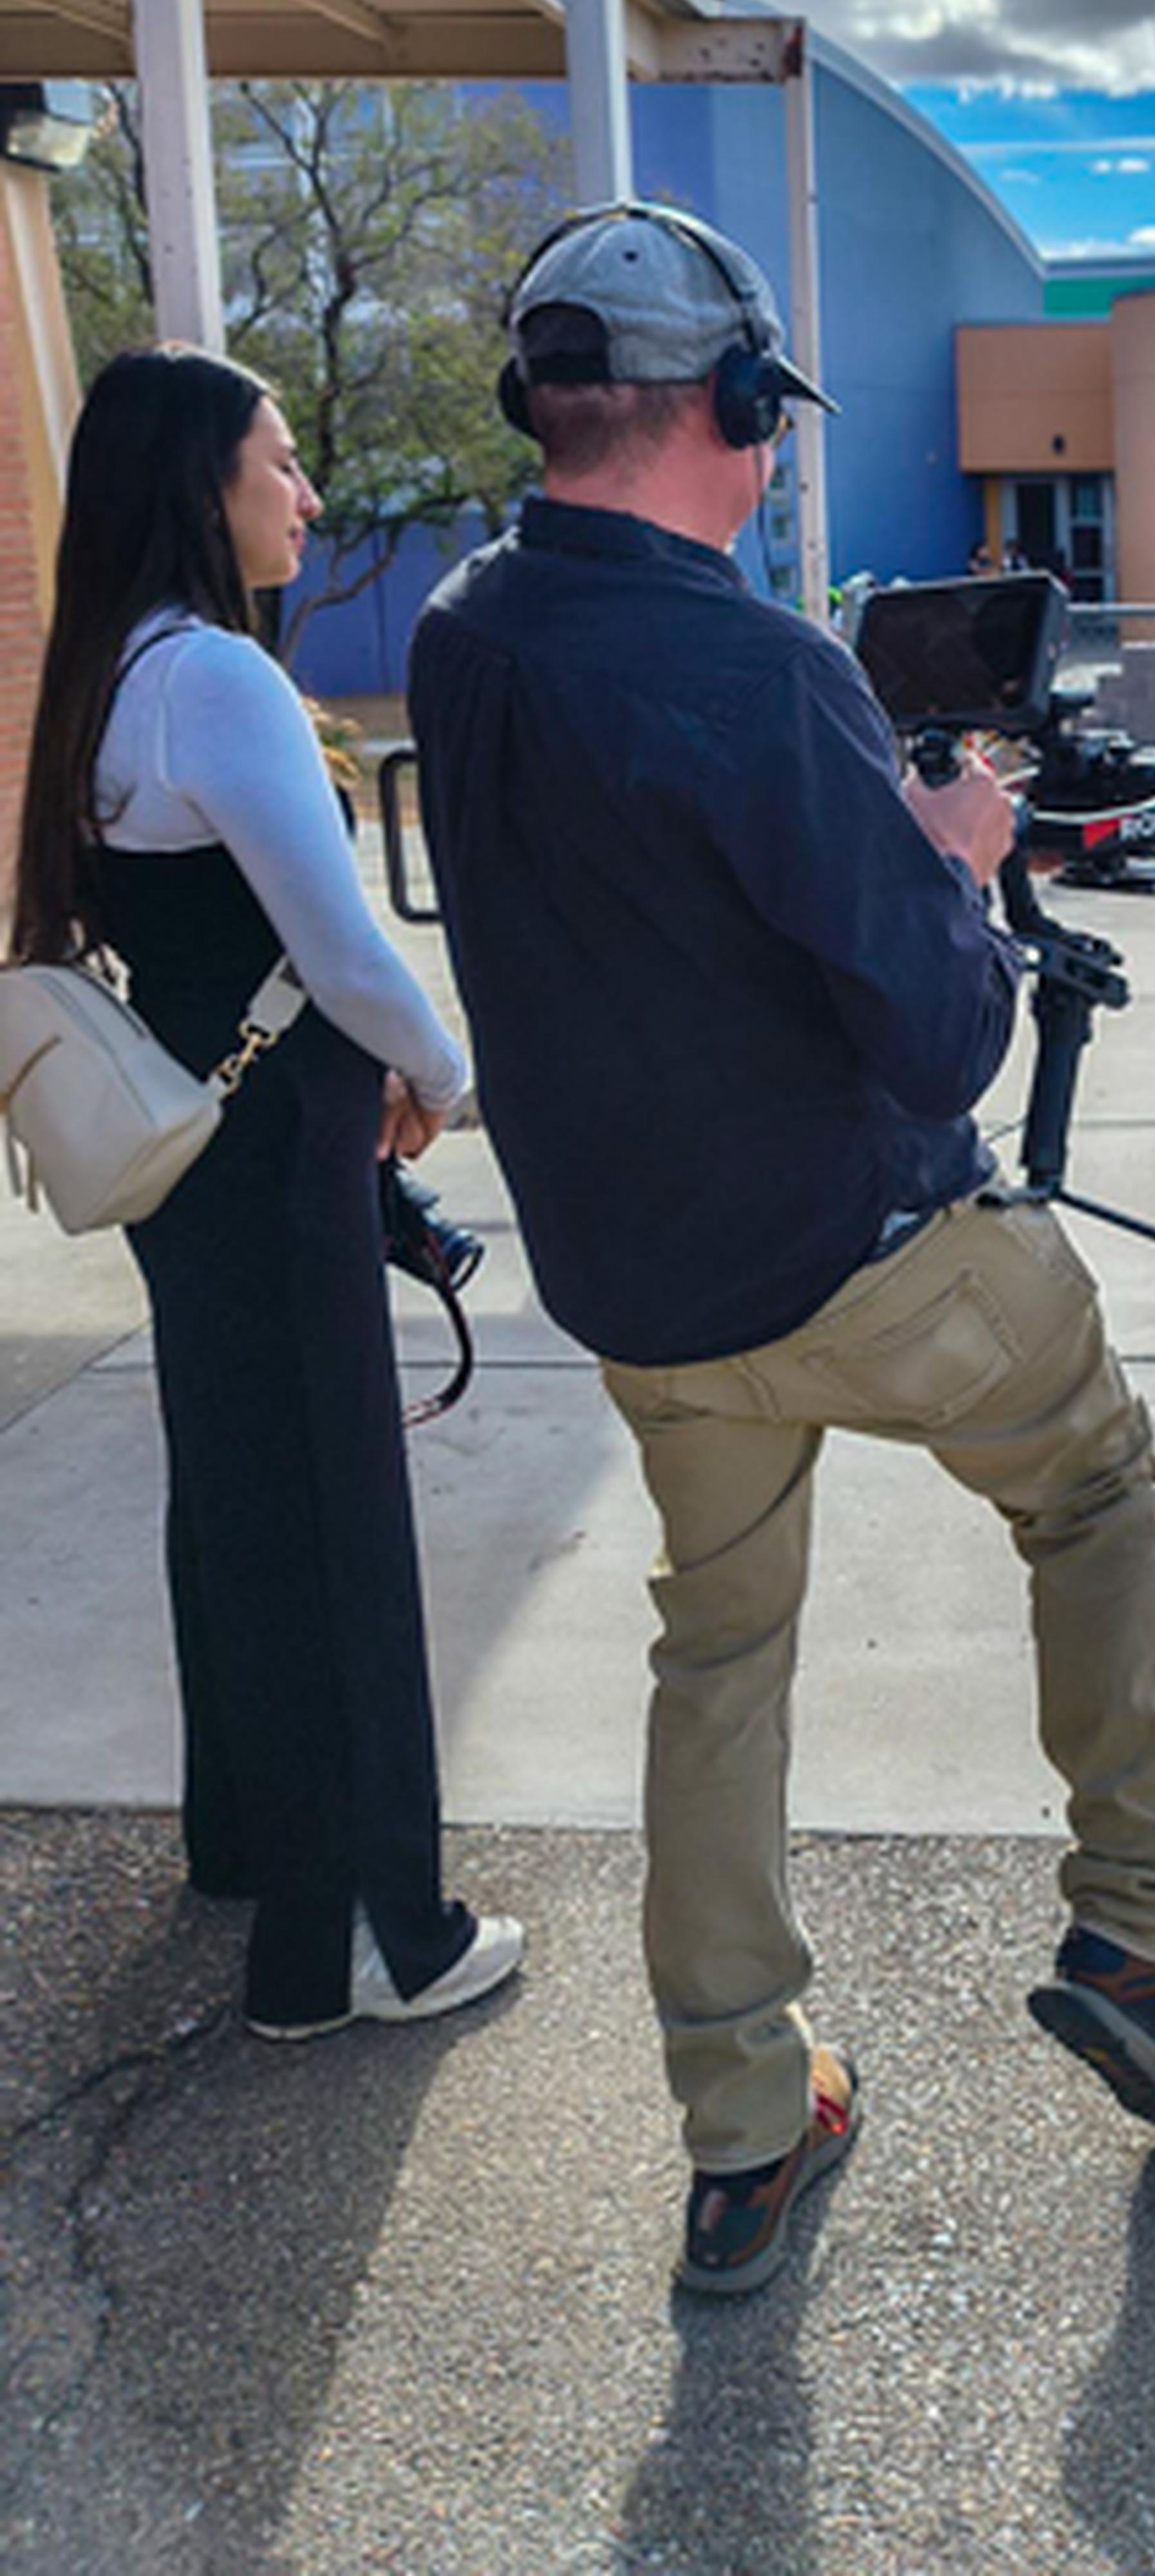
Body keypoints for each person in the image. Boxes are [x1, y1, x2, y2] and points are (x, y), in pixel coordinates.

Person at [406, 202, 1155, 2301]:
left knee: (717, 1656)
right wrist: (951, 860)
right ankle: (1143, 1944)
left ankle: (745, 2123)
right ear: (724, 411)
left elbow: (647, 890)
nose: (774, 456)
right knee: (1098, 1485)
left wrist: (850, 817)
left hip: (641, 1287)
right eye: (766, 421)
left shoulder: (465, 628)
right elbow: (947, 1027)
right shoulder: (763, 665)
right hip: (867, 1259)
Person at [10, 346, 522, 2038]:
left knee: (237, 1492)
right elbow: (346, 944)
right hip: (275, 1145)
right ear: (197, 488)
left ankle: (249, 1846)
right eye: (277, 463)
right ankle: (367, 1936)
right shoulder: (217, 682)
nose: (303, 493)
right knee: (334, 1521)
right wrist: (442, 1072)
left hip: (187, 1155)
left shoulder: (104, 671)